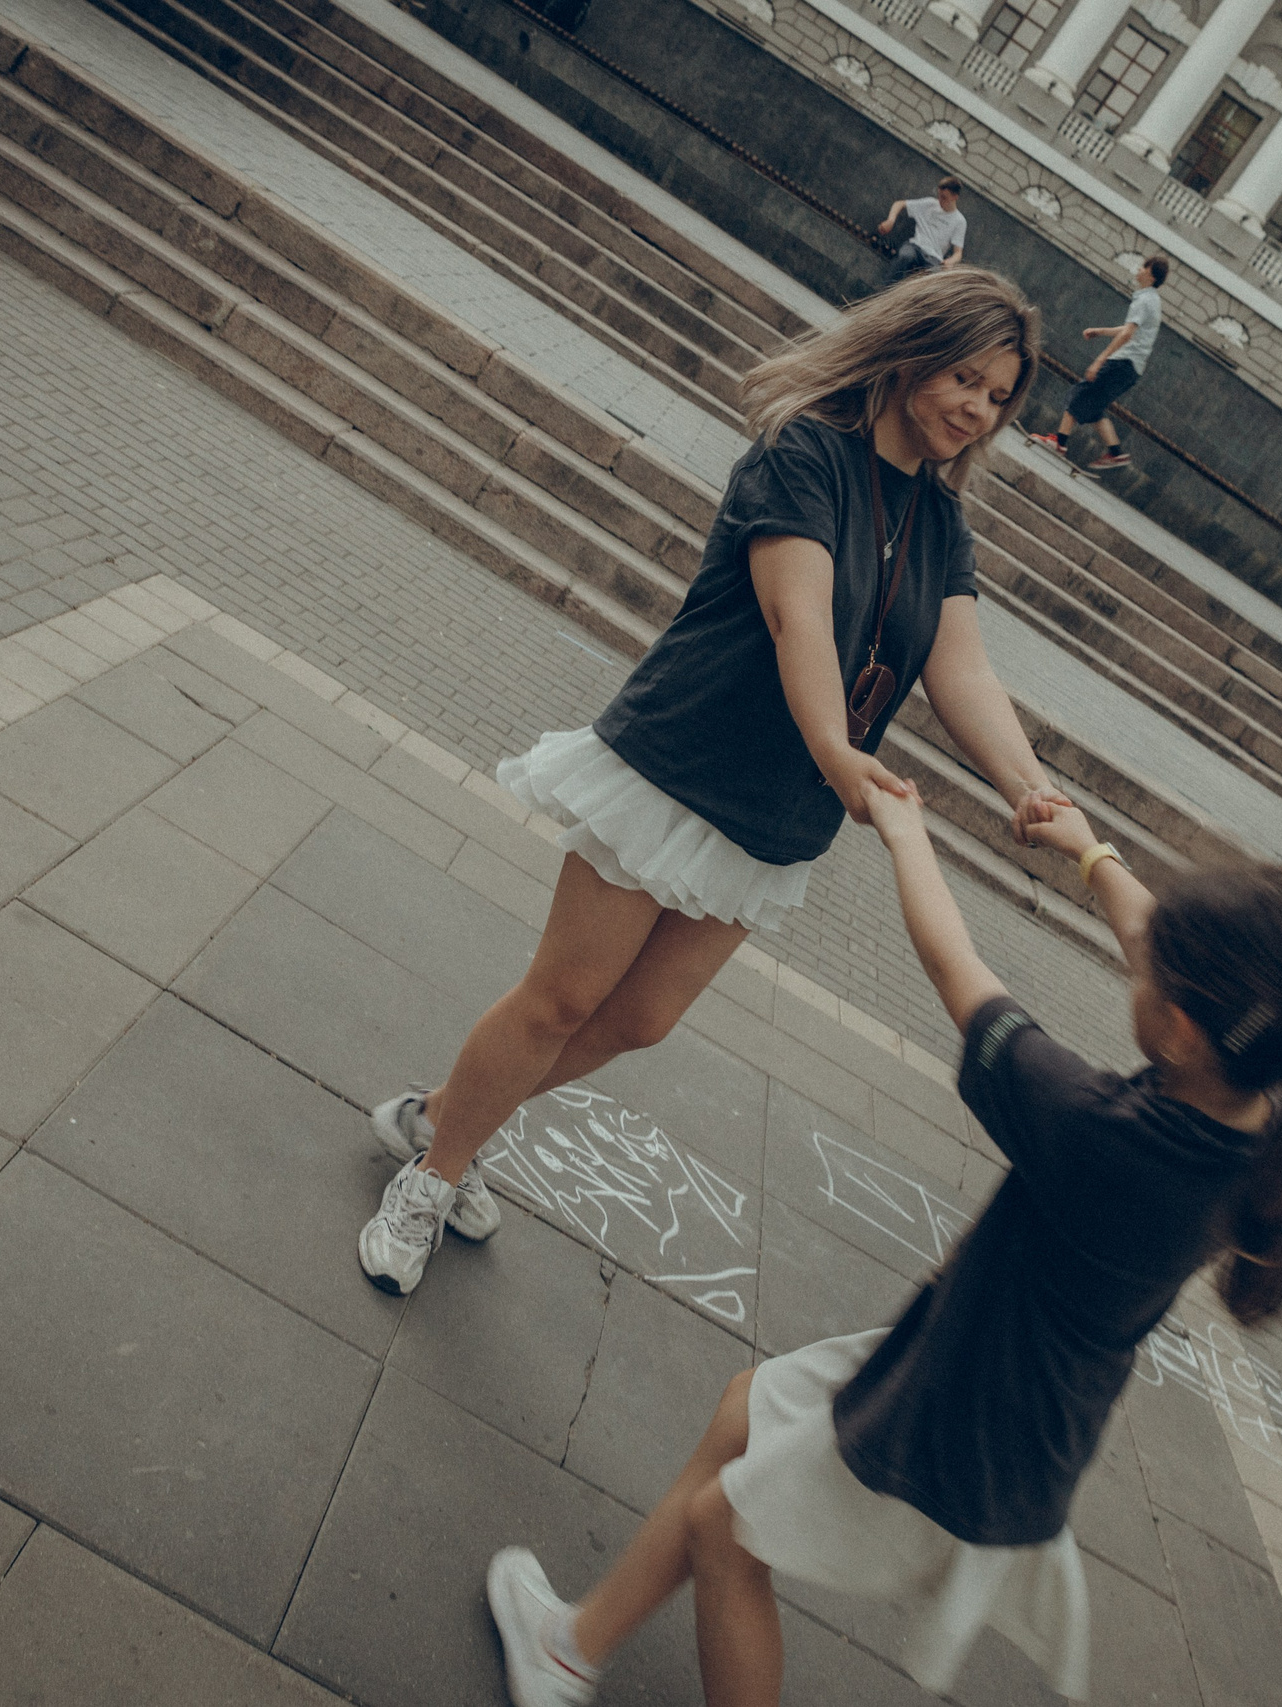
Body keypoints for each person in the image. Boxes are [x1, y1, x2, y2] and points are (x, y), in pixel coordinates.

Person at [482, 793, 1282, 1706]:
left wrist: (907, 835)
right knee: (747, 1410)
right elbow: (1165, 948)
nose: (1136, 969)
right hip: (990, 1369)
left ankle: (569, 1654)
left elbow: (959, 971)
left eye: (1153, 978)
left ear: (1181, 1027)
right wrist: (1092, 854)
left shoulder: (1098, 1135)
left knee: (724, 1529)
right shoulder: (1269, 1099)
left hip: (965, 1422)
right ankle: (568, 1650)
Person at [357, 267, 1076, 1296]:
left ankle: (446, 1112)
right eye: (963, 377)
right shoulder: (805, 455)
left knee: (639, 1022)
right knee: (562, 997)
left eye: (998, 395)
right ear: (910, 355)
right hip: (681, 760)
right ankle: (435, 1171)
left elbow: (960, 669)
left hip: (777, 811)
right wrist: (837, 750)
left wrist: (1026, 786)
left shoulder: (942, 524)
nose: (977, 408)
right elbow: (798, 615)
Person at [1030, 255, 1167, 473]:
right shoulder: (1152, 300)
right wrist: (1100, 331)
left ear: (1151, 275)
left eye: (1143, 266)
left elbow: (1127, 335)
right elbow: (1128, 330)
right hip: (1132, 369)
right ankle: (1115, 453)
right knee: (1095, 407)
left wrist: (1100, 359)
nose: (1138, 269)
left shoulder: (1144, 301)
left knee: (1081, 391)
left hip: (1123, 362)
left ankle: (1059, 442)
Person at [876, 178, 966, 287]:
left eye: (944, 197)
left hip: (934, 257)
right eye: (939, 195)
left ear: (955, 197)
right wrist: (891, 220)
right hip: (916, 246)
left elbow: (958, 253)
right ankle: (886, 290)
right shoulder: (930, 204)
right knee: (905, 256)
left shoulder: (960, 221)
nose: (940, 200)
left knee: (935, 280)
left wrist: (951, 261)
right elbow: (900, 204)